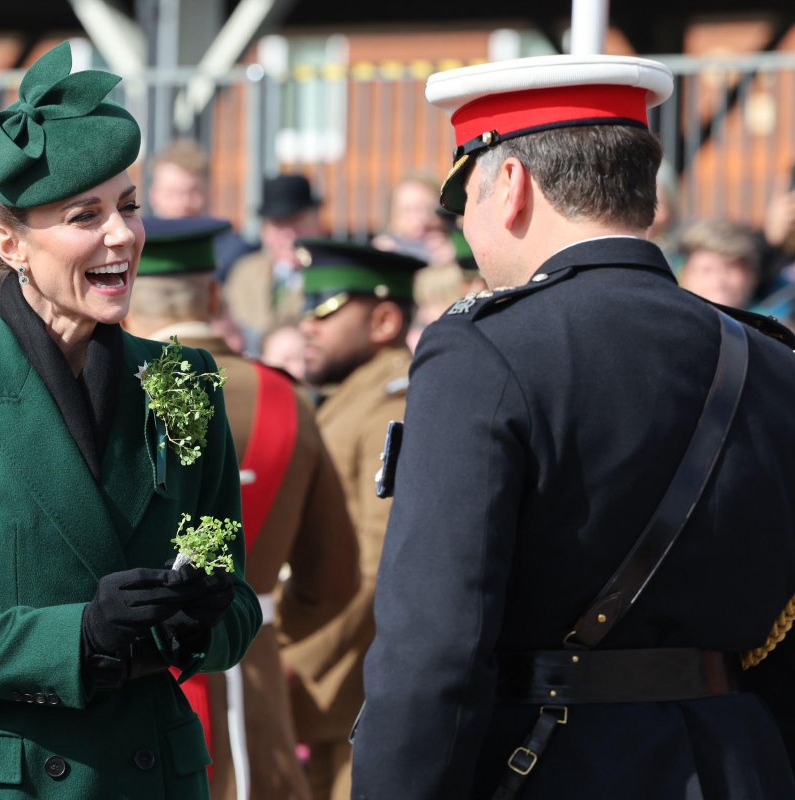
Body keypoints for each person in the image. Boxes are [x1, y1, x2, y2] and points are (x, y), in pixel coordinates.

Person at [352, 54, 795, 799]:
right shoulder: (771, 359)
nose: (465, 225)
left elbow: (433, 648)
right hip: (739, 761)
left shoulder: (482, 350)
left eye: (467, 195)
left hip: (551, 767)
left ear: (514, 188)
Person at [0, 42, 260, 799]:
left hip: (153, 772)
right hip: (9, 778)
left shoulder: (184, 380)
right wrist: (74, 637)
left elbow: (236, 599)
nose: (122, 236)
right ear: (9, 244)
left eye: (130, 206)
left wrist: (205, 619)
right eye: (86, 216)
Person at [123, 216, 359, 800]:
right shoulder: (285, 396)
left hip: (133, 691)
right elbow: (334, 576)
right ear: (212, 293)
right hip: (253, 685)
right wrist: (267, 620)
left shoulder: (113, 394)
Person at [276, 238, 420, 800]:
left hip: (348, 685)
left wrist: (298, 658)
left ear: (384, 319)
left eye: (327, 309)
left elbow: (377, 562)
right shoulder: (354, 396)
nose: (306, 326)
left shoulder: (392, 404)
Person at [222, 174, 325, 354]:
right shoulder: (244, 272)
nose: (288, 235)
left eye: (295, 222)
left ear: (316, 222)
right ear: (264, 230)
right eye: (278, 224)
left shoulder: (331, 273)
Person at [147, 140, 254, 282]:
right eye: (171, 193)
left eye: (193, 192)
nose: (183, 203)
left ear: (209, 192)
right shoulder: (135, 247)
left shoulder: (235, 253)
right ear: (154, 195)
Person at [677, 219, 761, 310]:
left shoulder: (772, 321)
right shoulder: (668, 319)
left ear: (752, 276)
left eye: (730, 269)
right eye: (706, 270)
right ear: (684, 276)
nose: (718, 282)